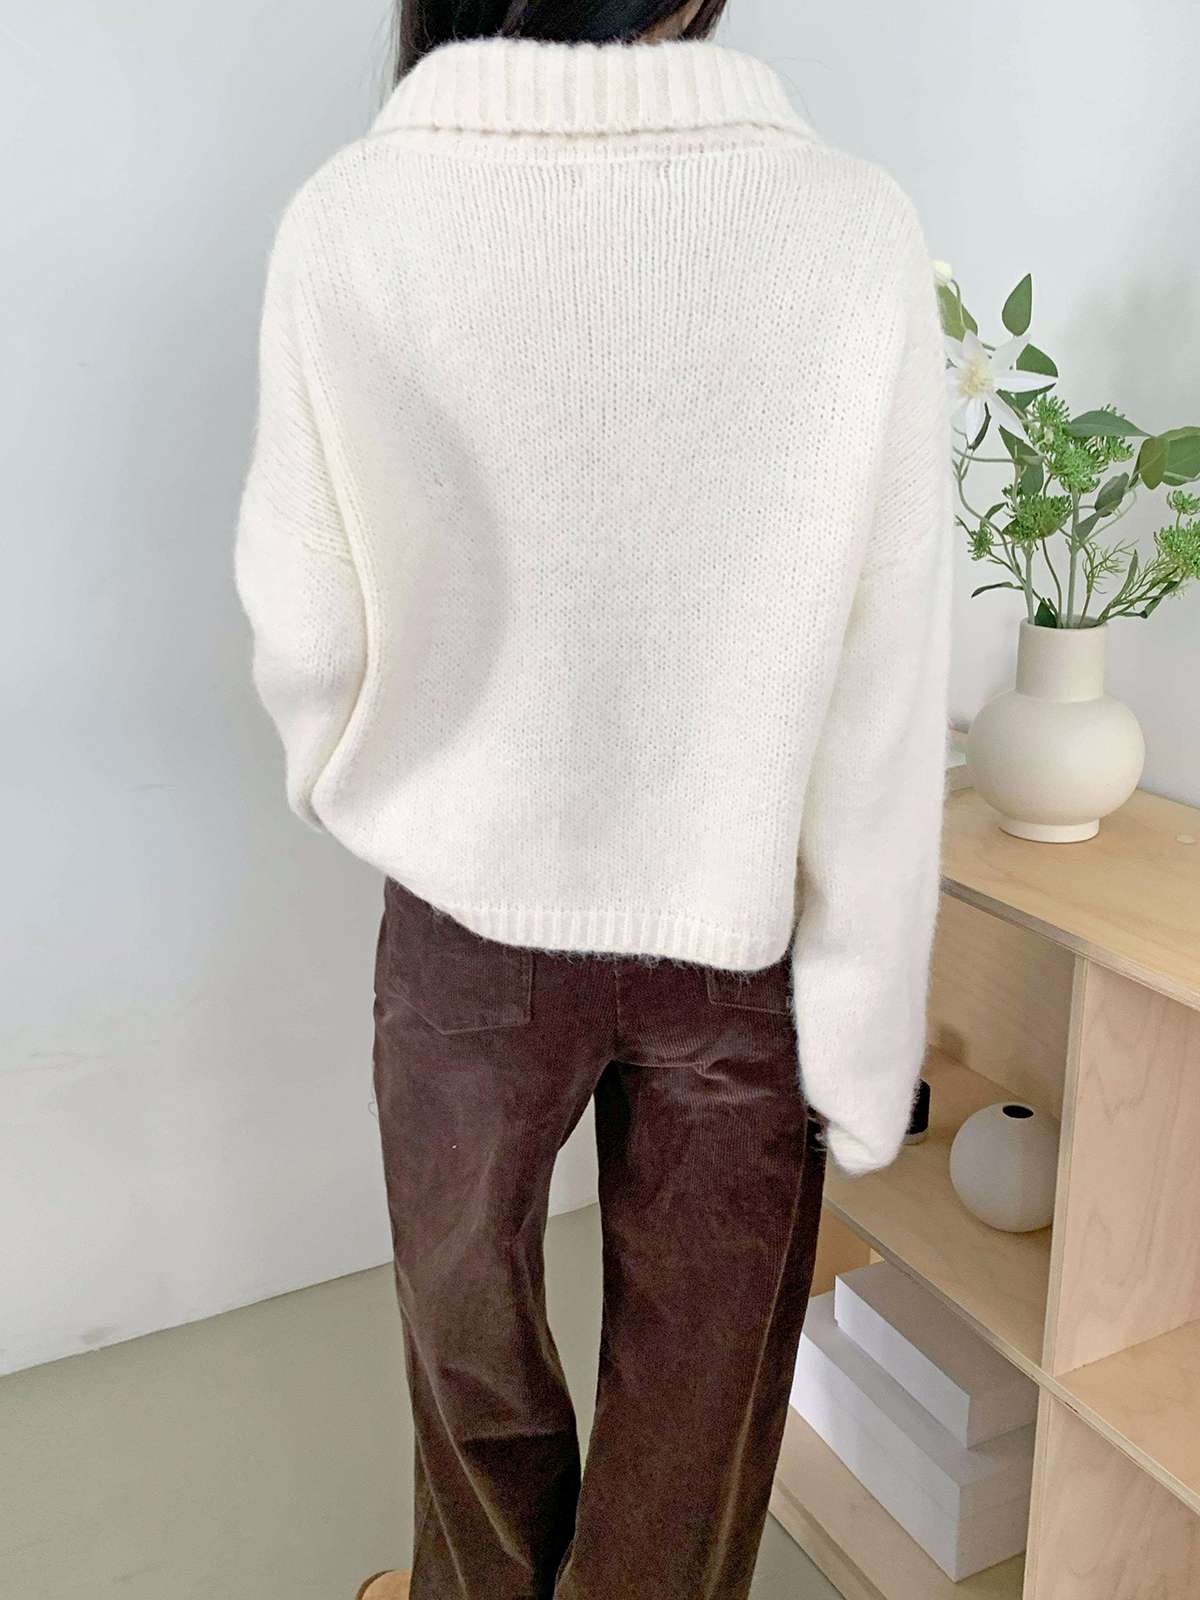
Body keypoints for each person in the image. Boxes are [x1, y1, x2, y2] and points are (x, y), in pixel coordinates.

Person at [233, 0, 953, 1594]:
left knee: (463, 1345)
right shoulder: (853, 228)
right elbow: (885, 674)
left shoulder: (354, 217)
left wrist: (364, 778)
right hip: (739, 924)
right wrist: (865, 1026)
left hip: (462, 915)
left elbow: (306, 622)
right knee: (702, 1390)